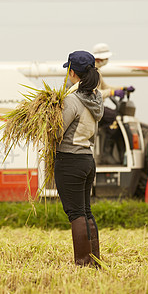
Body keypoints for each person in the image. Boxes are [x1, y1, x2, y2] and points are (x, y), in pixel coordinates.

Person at [56, 50, 103, 267]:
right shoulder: (96, 98)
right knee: (86, 211)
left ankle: (84, 263)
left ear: (72, 72)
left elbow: (57, 132)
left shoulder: (72, 100)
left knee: (75, 213)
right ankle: (93, 259)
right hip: (87, 159)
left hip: (70, 160)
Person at [92, 43, 135, 164]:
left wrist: (123, 88)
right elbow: (96, 93)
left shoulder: (97, 71)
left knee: (114, 117)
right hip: (94, 107)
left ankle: (110, 153)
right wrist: (112, 92)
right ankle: (106, 154)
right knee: (114, 118)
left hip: (98, 106)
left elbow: (105, 87)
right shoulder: (92, 71)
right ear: (100, 58)